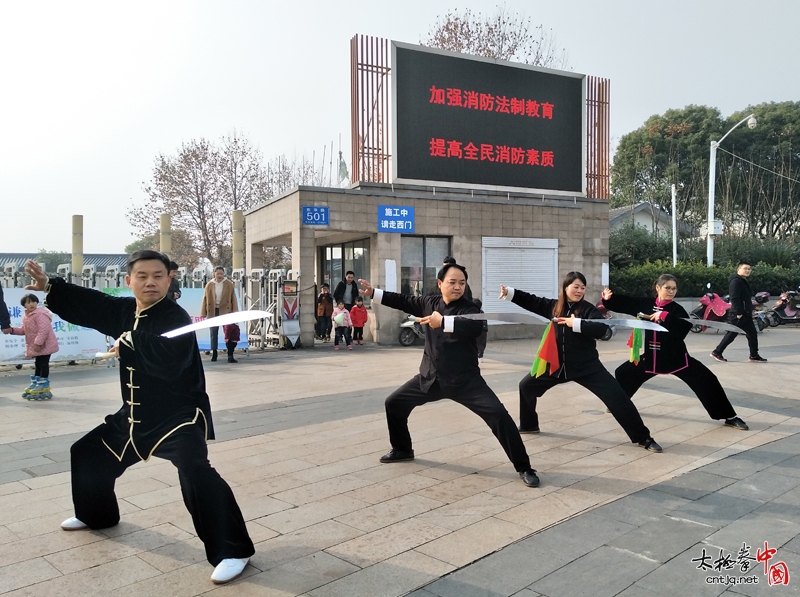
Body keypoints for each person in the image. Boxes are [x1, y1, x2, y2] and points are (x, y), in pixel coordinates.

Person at [23, 253, 254, 584]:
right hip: (134, 414)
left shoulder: (174, 316)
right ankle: (96, 515)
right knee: (87, 454)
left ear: (169, 279)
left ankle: (233, 550)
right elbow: (95, 304)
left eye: (158, 276)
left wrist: (130, 341)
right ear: (129, 281)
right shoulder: (124, 310)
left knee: (196, 473)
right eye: (142, 275)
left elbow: (169, 358)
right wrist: (52, 287)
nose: (150, 282)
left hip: (177, 417)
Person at [359, 260, 540, 488]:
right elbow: (403, 300)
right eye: (452, 282)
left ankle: (524, 467)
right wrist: (374, 293)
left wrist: (442, 321)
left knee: (499, 417)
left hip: (466, 382)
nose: (457, 287)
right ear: (440, 283)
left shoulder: (470, 308)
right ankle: (402, 449)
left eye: (462, 283)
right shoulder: (429, 302)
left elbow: (473, 326)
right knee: (393, 403)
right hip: (430, 378)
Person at [501, 272, 663, 453]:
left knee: (618, 398)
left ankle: (644, 438)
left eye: (582, 288)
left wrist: (577, 324)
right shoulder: (554, 306)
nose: (579, 291)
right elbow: (531, 301)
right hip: (557, 366)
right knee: (526, 386)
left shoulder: (587, 310)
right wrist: (509, 292)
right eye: (575, 287)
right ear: (566, 287)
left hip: (587, 367)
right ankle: (529, 425)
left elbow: (603, 330)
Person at [602, 275, 749, 431]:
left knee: (707, 380)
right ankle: (617, 405)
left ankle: (729, 416)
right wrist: (608, 299)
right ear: (658, 288)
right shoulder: (646, 304)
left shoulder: (677, 309)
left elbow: (682, 330)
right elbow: (627, 303)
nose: (671, 291)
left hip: (677, 359)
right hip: (651, 359)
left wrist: (665, 316)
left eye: (674, 288)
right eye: (667, 288)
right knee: (624, 373)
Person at [711, 260, 767, 363]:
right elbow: (734, 298)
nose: (747, 271)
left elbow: (745, 298)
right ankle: (717, 352)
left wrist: (750, 310)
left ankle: (754, 355)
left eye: (749, 269)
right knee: (731, 334)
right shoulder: (736, 281)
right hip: (739, 314)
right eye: (745, 268)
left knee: (752, 334)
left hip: (746, 313)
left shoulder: (742, 281)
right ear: (738, 269)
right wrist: (739, 312)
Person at [7, 293, 59, 400]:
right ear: (24, 305)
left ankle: (43, 385)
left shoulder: (40, 314)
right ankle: (37, 383)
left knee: (43, 364)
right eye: (28, 302)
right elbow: (24, 330)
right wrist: (12, 330)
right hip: (38, 345)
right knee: (38, 364)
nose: (32, 304)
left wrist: (37, 344)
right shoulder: (27, 316)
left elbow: (43, 330)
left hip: (44, 345)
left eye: (34, 301)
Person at [200, 266, 239, 362]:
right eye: (218, 274)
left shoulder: (228, 284)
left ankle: (230, 355)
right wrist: (203, 313)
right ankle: (214, 352)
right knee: (213, 333)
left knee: (229, 331)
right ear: (214, 274)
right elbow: (205, 299)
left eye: (221, 273)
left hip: (226, 310)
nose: (220, 276)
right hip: (213, 310)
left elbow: (233, 297)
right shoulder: (209, 284)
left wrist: (235, 311)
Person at [474, 298, 488, 363]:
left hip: (480, 330)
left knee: (479, 344)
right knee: (481, 344)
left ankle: (479, 357)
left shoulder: (475, 312)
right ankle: (480, 356)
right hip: (482, 330)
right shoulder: (481, 312)